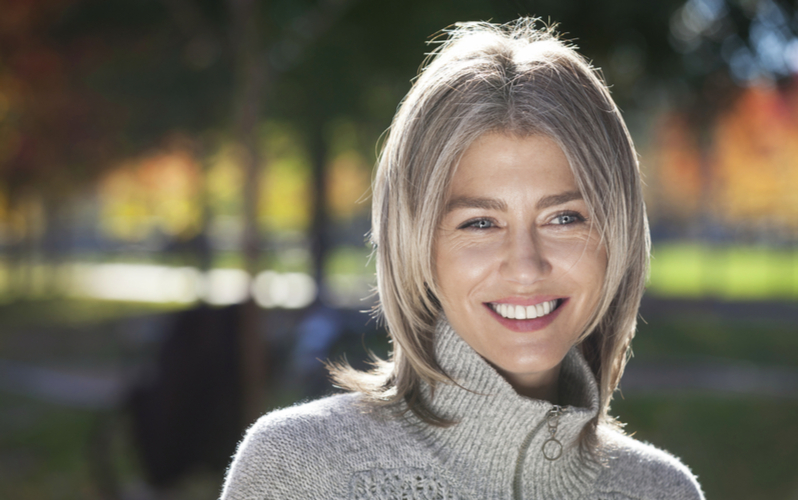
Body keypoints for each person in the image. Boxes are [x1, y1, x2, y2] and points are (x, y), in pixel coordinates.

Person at [220, 19, 704, 500]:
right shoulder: (299, 469)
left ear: (616, 236)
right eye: (479, 223)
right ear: (417, 246)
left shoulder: (662, 491)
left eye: (563, 218)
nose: (524, 267)